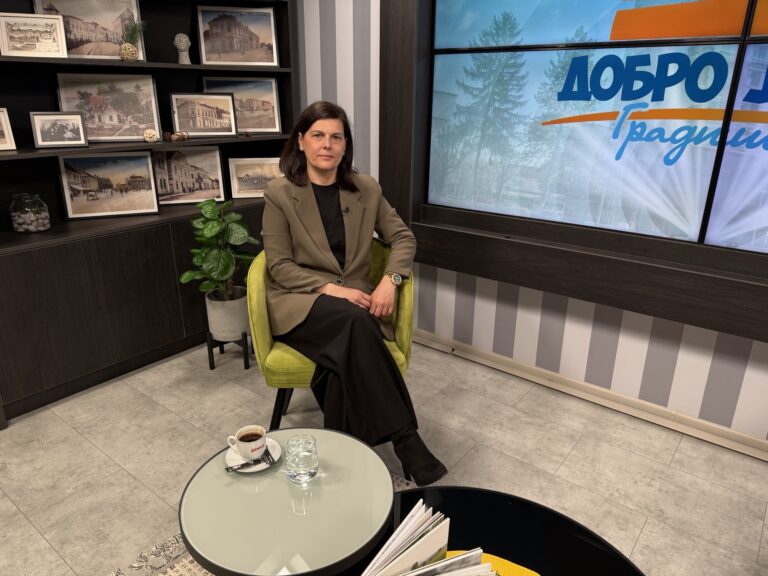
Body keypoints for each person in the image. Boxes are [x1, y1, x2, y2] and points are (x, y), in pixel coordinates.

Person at [262, 101, 447, 486]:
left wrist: (390, 280)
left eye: (336, 137)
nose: (326, 145)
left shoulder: (366, 189)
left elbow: (403, 237)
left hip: (354, 308)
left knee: (339, 362)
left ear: (346, 145)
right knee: (355, 321)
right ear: (301, 141)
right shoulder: (280, 193)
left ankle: (345, 458)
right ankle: (406, 441)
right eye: (317, 135)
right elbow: (278, 265)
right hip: (300, 302)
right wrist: (332, 289)